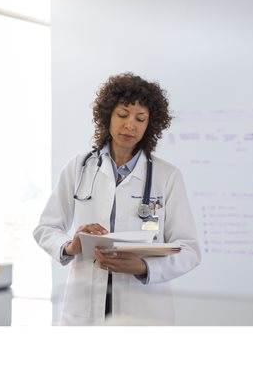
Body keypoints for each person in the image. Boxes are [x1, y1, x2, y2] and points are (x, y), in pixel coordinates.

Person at [33, 73, 200, 325]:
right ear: (107, 116)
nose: (130, 125)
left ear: (150, 124)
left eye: (140, 119)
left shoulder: (167, 176)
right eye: (123, 115)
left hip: (144, 309)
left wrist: (144, 267)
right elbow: (46, 228)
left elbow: (189, 249)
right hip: (84, 306)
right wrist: (70, 246)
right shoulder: (79, 167)